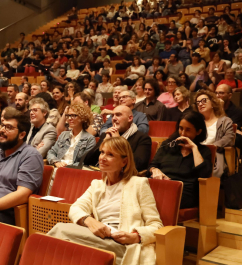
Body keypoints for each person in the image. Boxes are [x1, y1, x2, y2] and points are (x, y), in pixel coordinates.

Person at [48, 137, 163, 265]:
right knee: (64, 245)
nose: (102, 158)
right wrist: (89, 221)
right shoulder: (97, 185)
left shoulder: (138, 184)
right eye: (102, 152)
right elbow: (75, 208)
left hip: (123, 245)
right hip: (101, 237)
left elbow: (156, 226)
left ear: (124, 162)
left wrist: (136, 237)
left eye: (110, 155)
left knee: (60, 230)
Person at [148, 111, 213, 208]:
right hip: (161, 185)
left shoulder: (203, 151)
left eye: (188, 130)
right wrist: (155, 170)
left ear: (198, 132)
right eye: (181, 128)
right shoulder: (168, 144)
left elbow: (203, 175)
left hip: (184, 192)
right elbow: (152, 165)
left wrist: (194, 148)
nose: (183, 133)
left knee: (152, 200)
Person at [81, 105, 151, 172]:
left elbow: (139, 166)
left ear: (130, 118)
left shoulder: (143, 138)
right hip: (100, 173)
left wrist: (118, 142)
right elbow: (87, 161)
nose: (114, 118)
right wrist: (104, 143)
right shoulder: (106, 135)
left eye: (118, 115)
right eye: (112, 115)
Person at [195, 90, 235, 177]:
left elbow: (229, 137)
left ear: (212, 103)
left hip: (214, 155)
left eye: (204, 100)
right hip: (196, 153)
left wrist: (214, 146)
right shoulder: (196, 122)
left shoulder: (224, 121)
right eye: (198, 103)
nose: (200, 104)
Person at [47, 103, 96, 168]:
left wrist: (66, 166)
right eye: (68, 115)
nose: (69, 118)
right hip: (58, 167)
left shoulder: (90, 139)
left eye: (73, 115)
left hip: (74, 171)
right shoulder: (63, 135)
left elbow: (85, 163)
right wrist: (56, 162)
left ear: (82, 117)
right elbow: (51, 152)